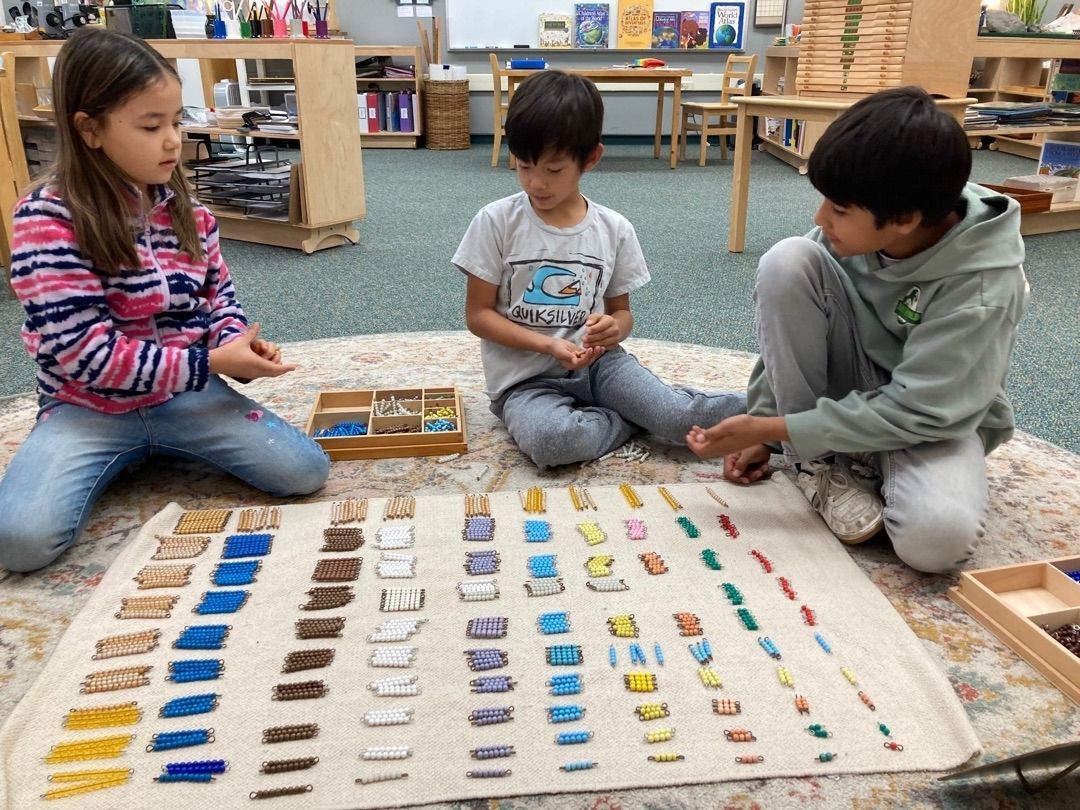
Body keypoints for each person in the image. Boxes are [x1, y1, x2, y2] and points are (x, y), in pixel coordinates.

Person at [0, 28, 329, 573]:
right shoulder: (46, 219)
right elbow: (84, 354)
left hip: (185, 395)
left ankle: (156, 445)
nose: (173, 141)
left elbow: (219, 300)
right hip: (86, 409)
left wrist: (235, 345)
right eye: (152, 127)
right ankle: (129, 449)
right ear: (90, 130)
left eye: (176, 122)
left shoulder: (190, 215)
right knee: (20, 541)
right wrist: (209, 363)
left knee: (303, 472)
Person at [687, 86, 1028, 574]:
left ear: (906, 219)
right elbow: (783, 330)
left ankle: (846, 455)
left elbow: (921, 410)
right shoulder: (865, 218)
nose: (820, 218)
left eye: (839, 209)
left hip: (925, 421)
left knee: (937, 542)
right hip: (849, 390)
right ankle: (819, 459)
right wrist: (768, 421)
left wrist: (776, 429)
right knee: (787, 259)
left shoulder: (983, 286)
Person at [453, 70, 745, 470]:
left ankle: (781, 412)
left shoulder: (613, 229)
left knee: (678, 416)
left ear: (590, 158)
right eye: (523, 166)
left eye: (553, 170)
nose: (536, 183)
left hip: (601, 366)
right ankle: (633, 420)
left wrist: (616, 328)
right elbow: (478, 316)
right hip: (524, 383)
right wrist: (548, 345)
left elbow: (621, 313)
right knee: (554, 442)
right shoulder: (495, 221)